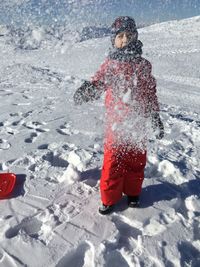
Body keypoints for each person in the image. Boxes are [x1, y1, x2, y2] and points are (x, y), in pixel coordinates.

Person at [73, 16, 164, 215]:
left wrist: (154, 116)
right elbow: (99, 82)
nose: (124, 40)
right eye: (120, 36)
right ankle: (109, 198)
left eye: (128, 35)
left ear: (135, 37)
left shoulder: (144, 65)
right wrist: (88, 89)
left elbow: (150, 92)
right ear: (113, 39)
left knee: (136, 159)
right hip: (116, 123)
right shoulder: (110, 64)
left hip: (137, 122)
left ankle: (133, 193)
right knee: (113, 161)